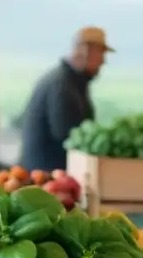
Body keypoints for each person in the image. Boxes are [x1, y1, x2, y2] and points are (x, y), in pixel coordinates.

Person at [18, 27, 110, 172]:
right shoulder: (62, 86)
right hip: (44, 176)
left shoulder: (70, 82)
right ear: (86, 51)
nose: (103, 61)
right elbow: (69, 138)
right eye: (101, 53)